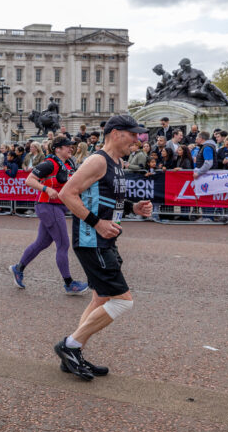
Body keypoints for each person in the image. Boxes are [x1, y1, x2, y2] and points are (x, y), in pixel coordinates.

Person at [55, 115, 152, 381]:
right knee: (122, 301)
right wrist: (97, 223)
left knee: (101, 298)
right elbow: (67, 194)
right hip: (91, 240)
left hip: (104, 240)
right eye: (133, 134)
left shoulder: (117, 162)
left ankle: (73, 353)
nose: (137, 139)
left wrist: (133, 207)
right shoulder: (97, 160)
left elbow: (107, 196)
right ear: (117, 133)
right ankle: (69, 346)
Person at [11, 136, 89, 295]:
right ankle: (69, 284)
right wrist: (46, 189)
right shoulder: (49, 163)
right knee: (63, 244)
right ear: (57, 149)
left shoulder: (69, 163)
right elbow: (29, 180)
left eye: (71, 146)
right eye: (67, 146)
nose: (71, 148)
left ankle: (18, 268)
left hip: (58, 207)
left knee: (42, 243)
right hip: (48, 206)